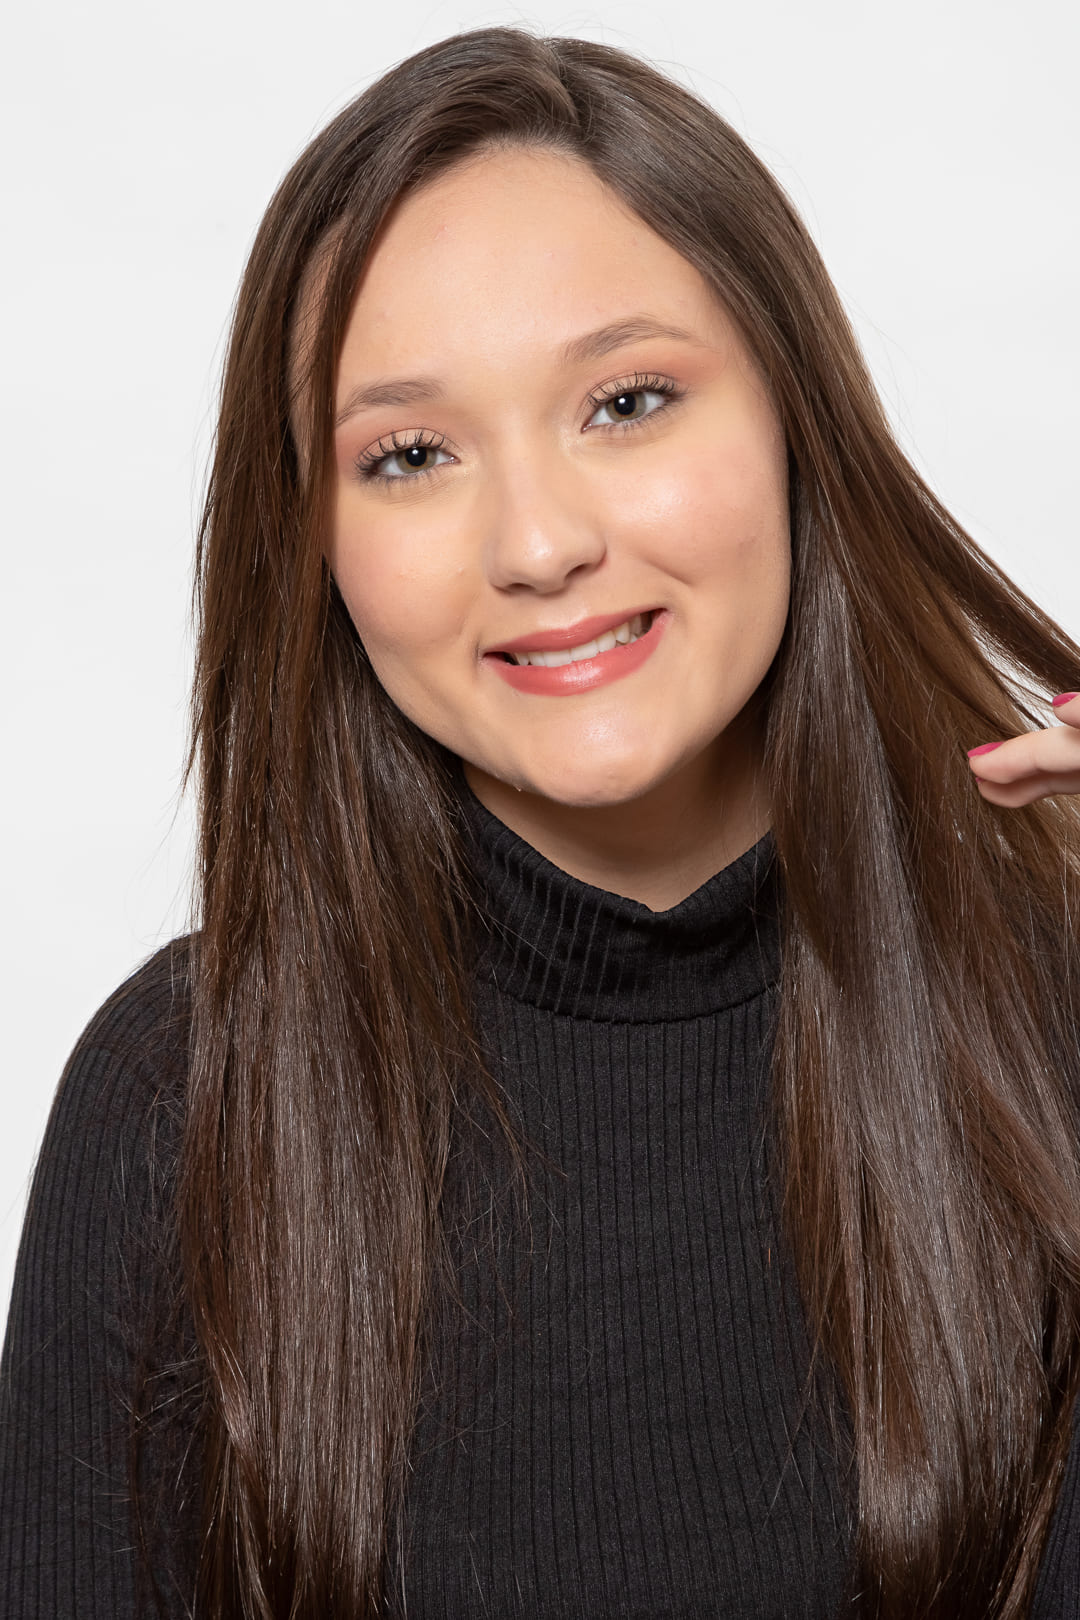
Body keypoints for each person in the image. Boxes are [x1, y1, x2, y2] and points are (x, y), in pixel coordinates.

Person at [3, 25, 1080, 1620]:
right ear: (312, 543)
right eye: (410, 455)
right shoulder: (179, 1104)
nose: (536, 542)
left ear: (796, 423)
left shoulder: (1049, 1014)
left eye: (627, 401)